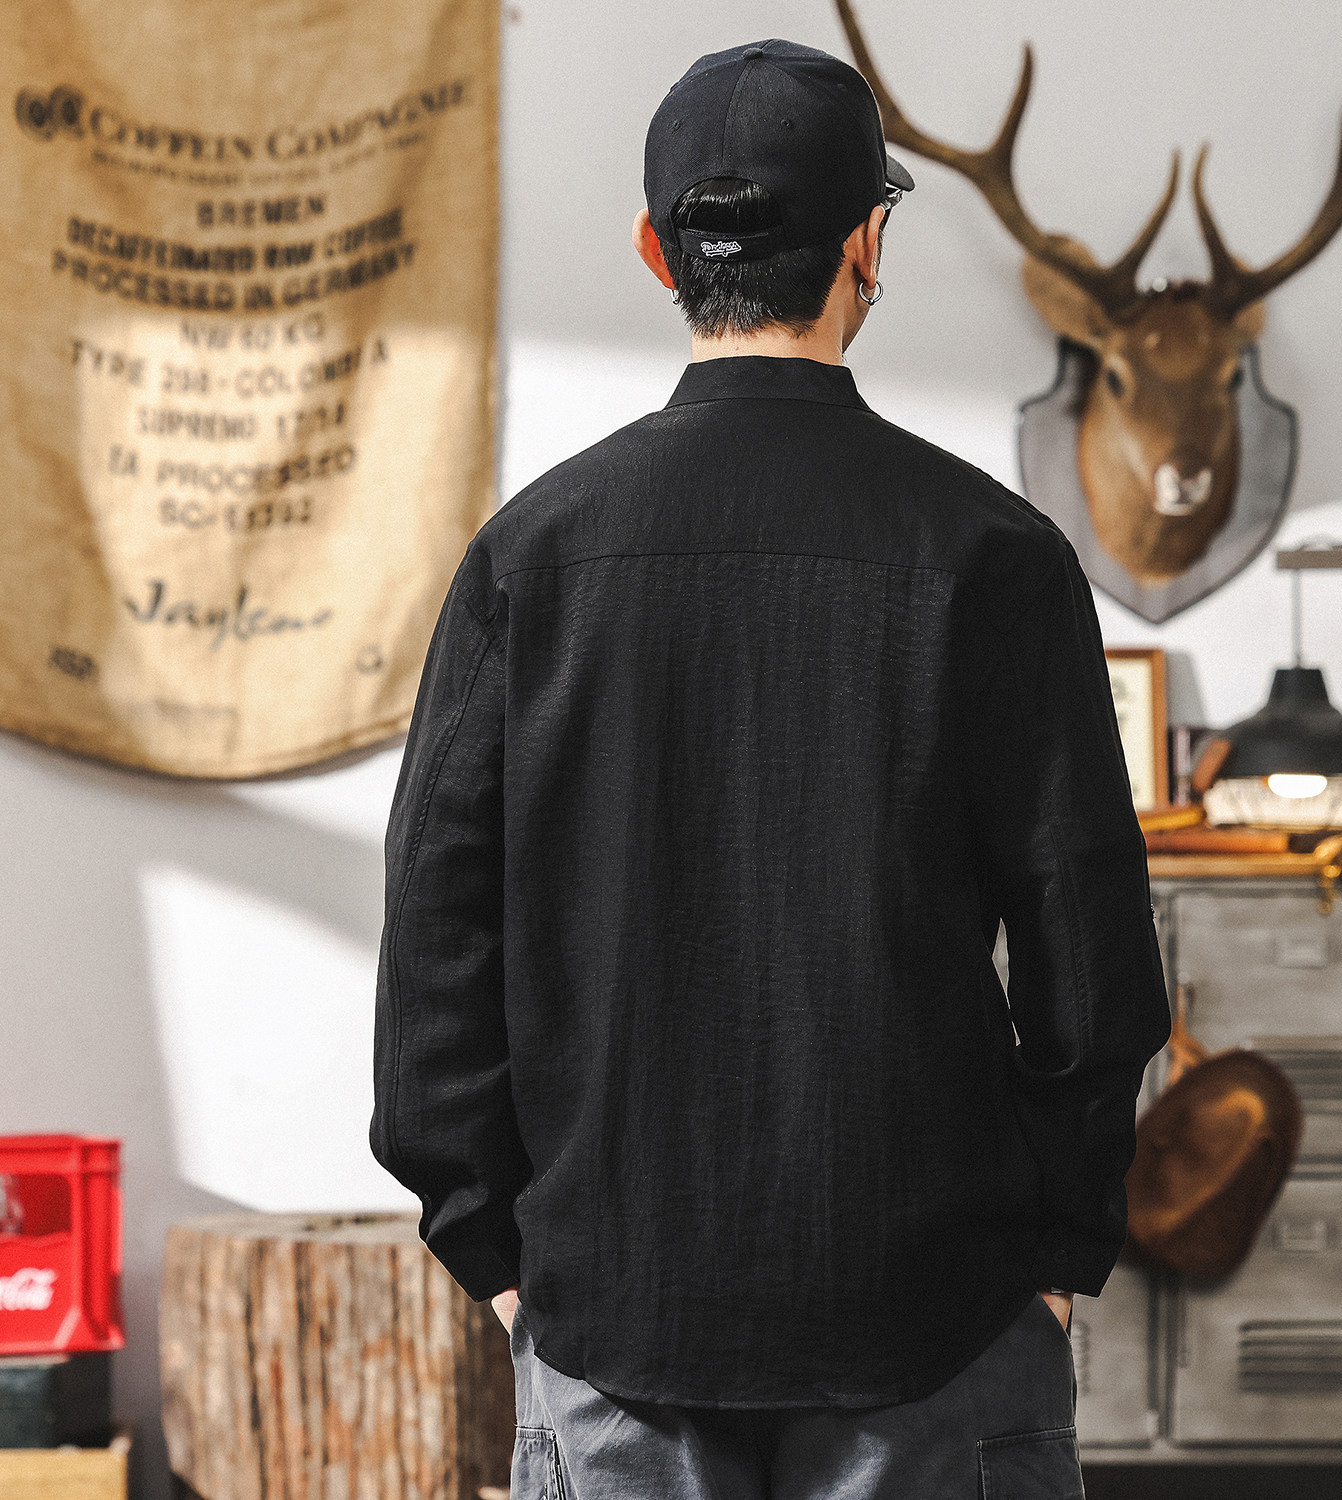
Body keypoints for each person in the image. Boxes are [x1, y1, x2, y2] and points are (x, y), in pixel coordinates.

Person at [371, 36, 1171, 1500]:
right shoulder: (994, 555)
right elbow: (1092, 952)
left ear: (654, 250)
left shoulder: (529, 559)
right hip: (940, 1321)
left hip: (610, 1319)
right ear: (869, 245)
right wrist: (1056, 1253)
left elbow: (435, 938)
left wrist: (495, 1249)